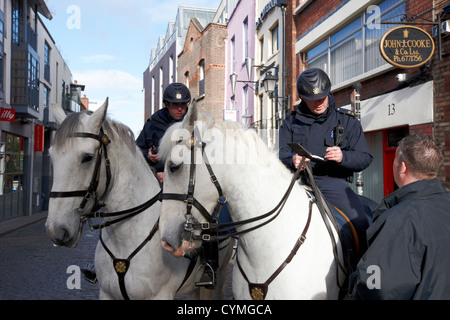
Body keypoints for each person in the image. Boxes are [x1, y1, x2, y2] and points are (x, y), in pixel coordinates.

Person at [279, 68, 373, 258]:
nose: (318, 103)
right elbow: (281, 154)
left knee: (360, 221)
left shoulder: (347, 121)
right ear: (302, 99)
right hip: (296, 181)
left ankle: (360, 271)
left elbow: (365, 157)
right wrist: (292, 159)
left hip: (332, 182)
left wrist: (343, 157)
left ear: (328, 92)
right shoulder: (290, 122)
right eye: (312, 100)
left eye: (322, 98)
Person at [349, 134, 450, 299]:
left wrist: (355, 282)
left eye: (394, 159)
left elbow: (375, 289)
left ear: (402, 167)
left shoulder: (397, 221)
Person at [136, 82, 191, 183]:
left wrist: (170, 175)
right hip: (154, 181)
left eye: (183, 104)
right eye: (175, 104)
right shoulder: (152, 124)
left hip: (186, 181)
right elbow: (136, 150)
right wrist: (147, 156)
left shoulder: (195, 124)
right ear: (166, 104)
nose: (180, 109)